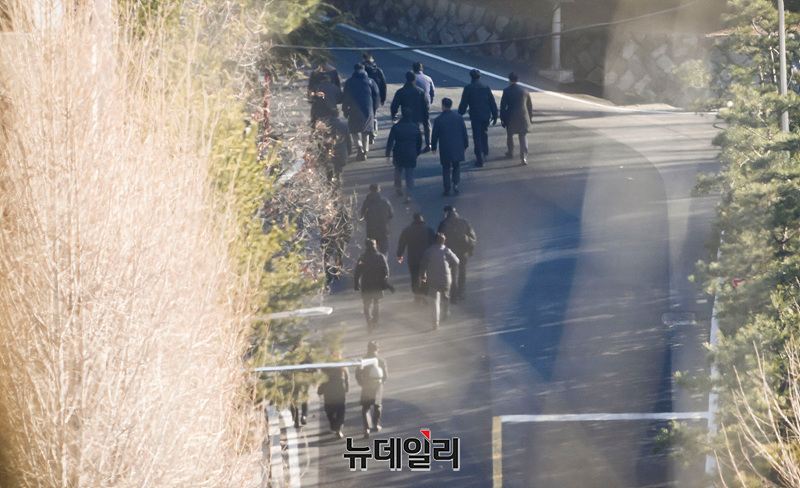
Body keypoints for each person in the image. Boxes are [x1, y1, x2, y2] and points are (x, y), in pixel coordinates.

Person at [457, 69, 498, 167]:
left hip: (475, 116)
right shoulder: (486, 87)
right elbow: (492, 102)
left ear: (471, 77)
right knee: (484, 132)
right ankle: (485, 151)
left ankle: (479, 158)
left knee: (477, 137)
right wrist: (495, 115)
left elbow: (464, 102)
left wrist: (460, 113)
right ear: (480, 77)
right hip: (486, 115)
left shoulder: (468, 88)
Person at [419, 233, 459, 329]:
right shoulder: (446, 250)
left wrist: (423, 276)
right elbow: (457, 261)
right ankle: (445, 313)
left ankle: (435, 322)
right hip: (446, 280)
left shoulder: (429, 251)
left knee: (434, 302)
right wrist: (449, 266)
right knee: (446, 297)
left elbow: (423, 265)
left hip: (433, 280)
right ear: (444, 241)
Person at [431, 97, 469, 196]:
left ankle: (447, 188)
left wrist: (433, 146)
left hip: (445, 146)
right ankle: (455, 184)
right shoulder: (459, 118)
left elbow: (435, 135)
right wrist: (466, 144)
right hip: (457, 145)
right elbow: (464, 132)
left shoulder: (438, 119)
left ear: (443, 106)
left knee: (446, 167)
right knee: (456, 165)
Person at [437, 205, 476, 302]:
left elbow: (438, 239)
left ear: (446, 213)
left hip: (450, 252)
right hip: (463, 252)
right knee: (462, 271)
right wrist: (471, 249)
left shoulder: (443, 223)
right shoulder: (464, 221)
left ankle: (453, 294)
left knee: (452, 272)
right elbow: (472, 237)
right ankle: (461, 292)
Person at [342, 63, 380, 161]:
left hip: (354, 109)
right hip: (368, 109)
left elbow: (346, 97)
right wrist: (374, 108)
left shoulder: (349, 82)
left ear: (354, 70)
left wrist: (345, 109)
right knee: (365, 132)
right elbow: (376, 95)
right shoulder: (370, 81)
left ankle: (359, 148)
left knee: (353, 131)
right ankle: (365, 151)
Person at [385, 107, 423, 204]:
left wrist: (387, 154)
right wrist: (417, 152)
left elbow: (390, 141)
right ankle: (409, 194)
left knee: (398, 170)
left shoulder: (396, 127)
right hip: (411, 152)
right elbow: (419, 142)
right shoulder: (415, 127)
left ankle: (398, 187)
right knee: (409, 174)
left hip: (398, 152)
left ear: (402, 115)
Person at [396, 213, 436, 304]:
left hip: (413, 258)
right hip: (426, 258)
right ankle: (424, 294)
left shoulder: (407, 230)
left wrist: (399, 254)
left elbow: (402, 243)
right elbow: (434, 242)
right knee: (425, 277)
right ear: (422, 219)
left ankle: (417, 296)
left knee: (414, 278)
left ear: (413, 219)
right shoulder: (429, 229)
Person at [354, 239, 391, 331]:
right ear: (375, 245)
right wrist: (385, 280)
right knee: (376, 302)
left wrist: (356, 282)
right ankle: (375, 321)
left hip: (366, 284)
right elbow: (386, 270)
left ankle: (368, 320)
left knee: (366, 304)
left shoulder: (363, 257)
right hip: (377, 284)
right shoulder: (380, 257)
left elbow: (358, 271)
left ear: (366, 246)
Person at [500, 72, 535, 165]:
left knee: (510, 135)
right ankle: (523, 157)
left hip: (511, 116)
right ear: (518, 80)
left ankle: (510, 152)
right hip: (523, 116)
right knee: (523, 137)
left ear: (509, 80)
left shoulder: (507, 91)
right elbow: (529, 106)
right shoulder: (525, 91)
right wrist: (530, 118)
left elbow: (503, 106)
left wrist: (502, 118)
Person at [355, 341, 388, 438]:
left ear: (368, 349)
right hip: (378, 386)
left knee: (366, 408)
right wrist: (382, 382)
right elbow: (385, 375)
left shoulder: (363, 360)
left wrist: (362, 383)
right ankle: (376, 424)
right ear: (378, 349)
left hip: (366, 386)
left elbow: (358, 374)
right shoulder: (381, 361)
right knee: (378, 405)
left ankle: (367, 428)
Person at [390, 71, 430, 150]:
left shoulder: (401, 91)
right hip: (418, 117)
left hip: (406, 116)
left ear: (406, 79)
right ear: (415, 79)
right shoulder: (420, 91)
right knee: (425, 127)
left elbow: (394, 105)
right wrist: (426, 116)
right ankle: (428, 143)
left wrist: (394, 114)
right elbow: (426, 105)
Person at [359, 183, 394, 255]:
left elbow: (362, 215)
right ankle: (383, 261)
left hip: (371, 230)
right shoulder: (385, 201)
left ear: (370, 190)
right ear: (379, 190)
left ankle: (375, 260)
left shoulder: (366, 202)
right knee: (384, 250)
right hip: (383, 230)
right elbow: (391, 214)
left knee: (372, 250)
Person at [317, 360, 349, 438]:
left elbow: (322, 380)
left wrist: (320, 391)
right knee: (339, 410)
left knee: (330, 410)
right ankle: (337, 427)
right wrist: (346, 389)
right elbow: (346, 379)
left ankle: (336, 427)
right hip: (339, 390)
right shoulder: (342, 365)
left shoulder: (326, 366)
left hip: (329, 390)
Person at [362, 53, 387, 143]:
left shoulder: (362, 70)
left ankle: (366, 133)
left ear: (364, 59)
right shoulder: (378, 70)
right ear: (371, 59)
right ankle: (373, 133)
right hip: (376, 97)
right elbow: (383, 85)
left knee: (365, 116)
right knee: (373, 115)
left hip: (364, 97)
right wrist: (383, 99)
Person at [413, 61, 435, 151]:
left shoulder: (413, 79)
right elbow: (432, 92)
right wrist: (430, 102)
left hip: (416, 105)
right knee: (427, 123)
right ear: (422, 69)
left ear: (413, 70)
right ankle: (428, 143)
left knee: (415, 123)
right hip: (426, 104)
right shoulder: (428, 78)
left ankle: (416, 143)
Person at [323, 116, 351, 184]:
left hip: (329, 153)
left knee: (329, 169)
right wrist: (349, 151)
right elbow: (348, 141)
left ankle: (330, 181)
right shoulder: (344, 126)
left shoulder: (325, 127)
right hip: (341, 153)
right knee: (338, 170)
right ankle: (337, 182)